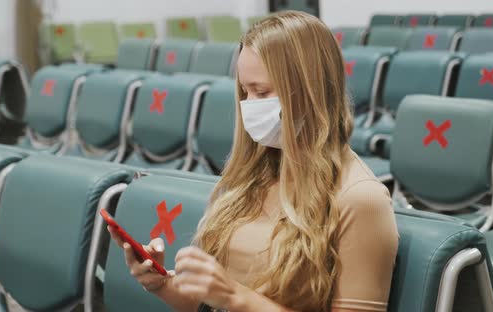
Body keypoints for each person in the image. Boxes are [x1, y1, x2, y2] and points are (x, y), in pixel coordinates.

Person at [108, 10, 398, 312]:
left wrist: (234, 297)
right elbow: (206, 304)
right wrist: (161, 283)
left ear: (310, 92)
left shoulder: (360, 198)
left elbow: (229, 299)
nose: (249, 106)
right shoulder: (252, 175)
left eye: (262, 91)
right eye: (245, 92)